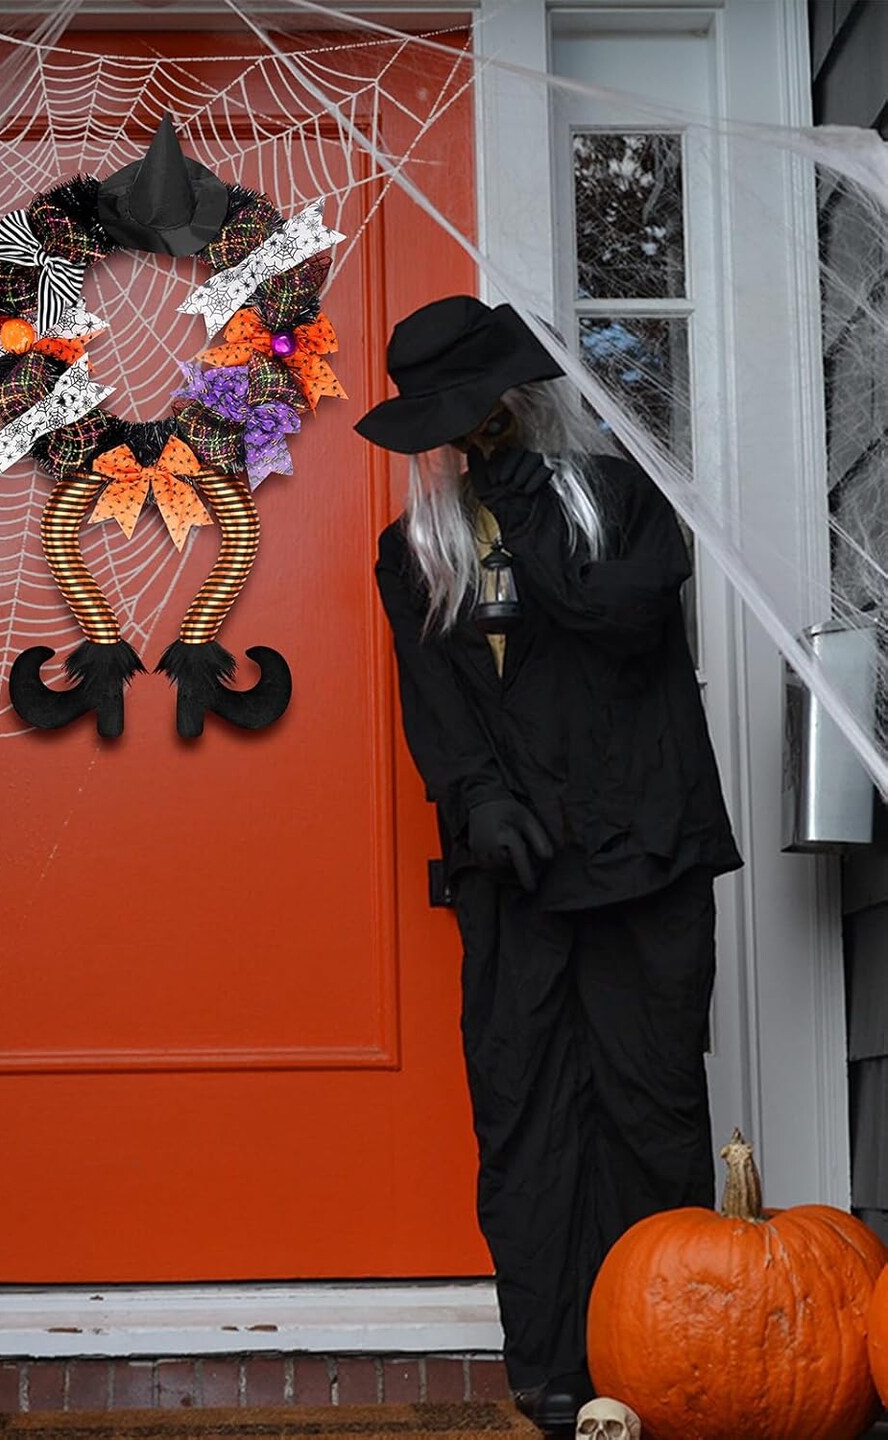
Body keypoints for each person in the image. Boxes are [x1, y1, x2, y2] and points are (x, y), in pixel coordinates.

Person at [356, 295, 742, 1435]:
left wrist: (524, 515)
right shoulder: (412, 550)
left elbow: (622, 627)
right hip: (515, 877)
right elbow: (437, 707)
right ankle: (556, 1375)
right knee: (527, 1116)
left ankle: (664, 1362)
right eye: (447, 426)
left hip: (643, 855)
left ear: (516, 405)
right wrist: (478, 801)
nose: (464, 443)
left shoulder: (622, 502)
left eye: (477, 417)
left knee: (650, 1105)